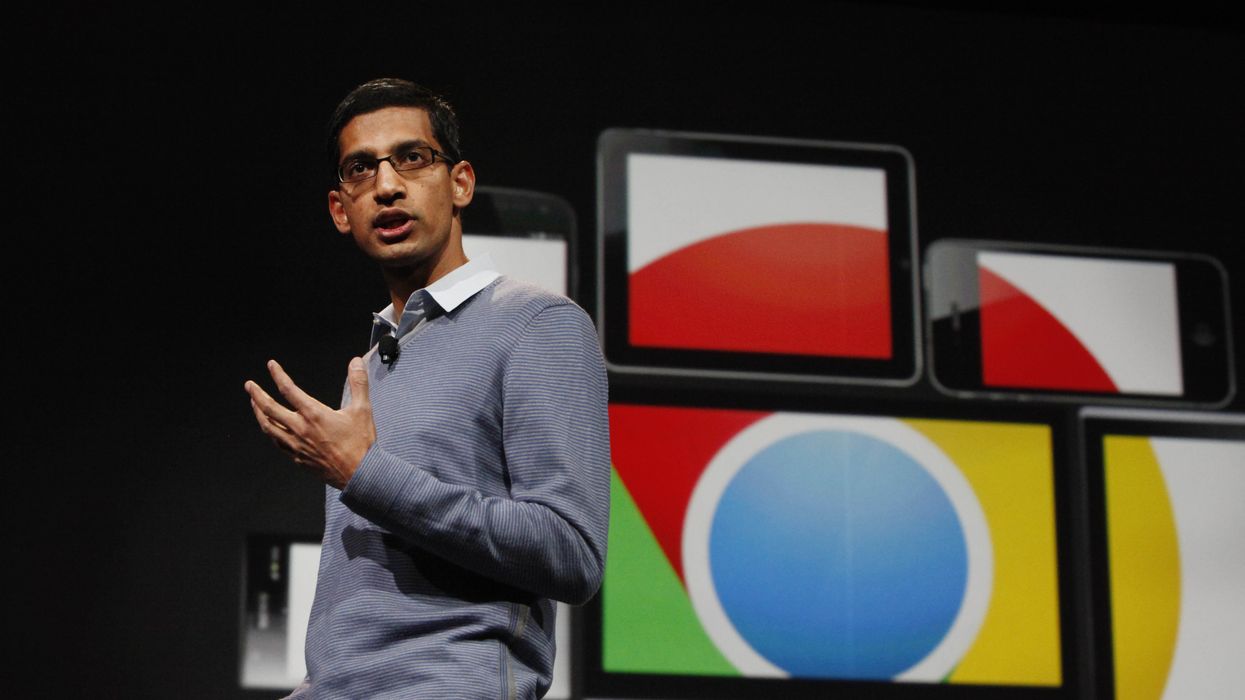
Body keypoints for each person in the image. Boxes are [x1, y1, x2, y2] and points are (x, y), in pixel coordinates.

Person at [243, 78, 610, 699]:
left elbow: (571, 553)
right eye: (362, 169)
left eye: (412, 158)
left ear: (460, 182)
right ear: (341, 209)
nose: (387, 185)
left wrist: (367, 473)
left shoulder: (537, 324)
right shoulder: (372, 364)